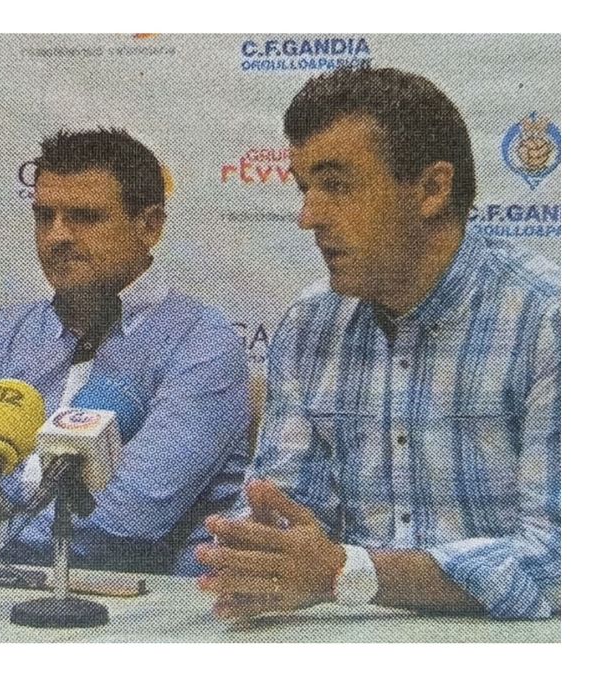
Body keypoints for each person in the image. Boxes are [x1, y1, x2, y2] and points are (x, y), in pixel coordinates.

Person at [196, 67, 560, 619]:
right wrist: (262, 556)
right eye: (305, 189)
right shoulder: (310, 324)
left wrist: (352, 574)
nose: (308, 217)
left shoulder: (550, 318)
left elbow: (562, 557)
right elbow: (286, 519)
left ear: (432, 189)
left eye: (337, 186)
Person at [0, 128, 249, 574]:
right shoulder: (6, 332)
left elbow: (130, 514)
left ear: (149, 226)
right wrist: (42, 483)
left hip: (132, 601)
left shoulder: (202, 341)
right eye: (45, 216)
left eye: (84, 217)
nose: (57, 236)